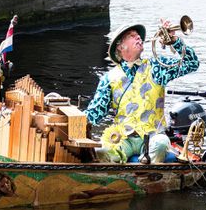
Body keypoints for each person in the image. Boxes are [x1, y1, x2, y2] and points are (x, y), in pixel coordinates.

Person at [85, 21, 199, 164]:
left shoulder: (157, 67)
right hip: (123, 138)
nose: (139, 37)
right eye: (132, 36)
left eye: (139, 35)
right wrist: (70, 122)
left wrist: (174, 41)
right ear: (120, 47)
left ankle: (153, 178)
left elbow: (192, 63)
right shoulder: (109, 78)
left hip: (153, 136)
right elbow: (95, 113)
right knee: (100, 154)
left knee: (161, 143)